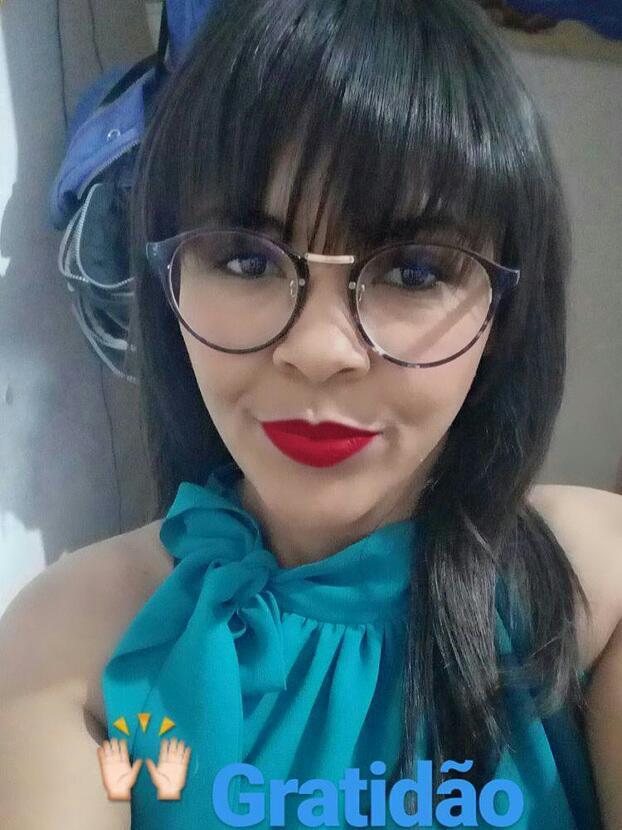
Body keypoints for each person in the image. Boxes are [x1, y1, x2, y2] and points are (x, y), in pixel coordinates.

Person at [1, 0, 621, 828]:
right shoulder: (74, 644)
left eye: (413, 271)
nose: (319, 349)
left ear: (504, 311)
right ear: (167, 281)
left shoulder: (595, 593)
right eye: (245, 259)